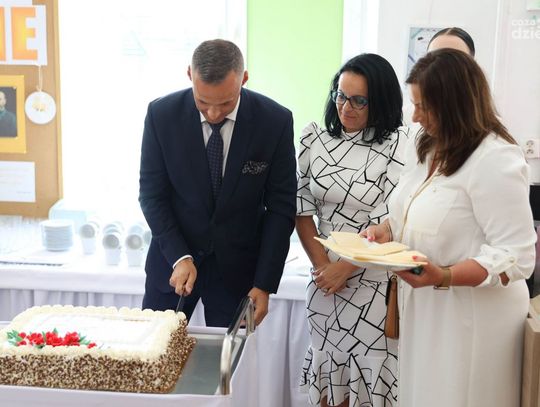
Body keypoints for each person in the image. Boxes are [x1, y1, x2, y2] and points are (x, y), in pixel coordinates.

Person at [362, 49, 536, 407]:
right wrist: (387, 230)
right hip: (427, 311)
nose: (415, 116)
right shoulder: (427, 144)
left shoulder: (495, 158)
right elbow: (415, 209)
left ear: (455, 104)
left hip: (471, 321)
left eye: (424, 106)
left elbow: (517, 257)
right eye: (414, 104)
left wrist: (443, 276)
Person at [139, 39, 296, 327]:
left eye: (225, 103)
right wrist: (179, 256)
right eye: (202, 102)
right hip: (172, 263)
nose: (213, 113)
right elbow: (152, 196)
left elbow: (281, 208)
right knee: (156, 351)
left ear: (244, 79)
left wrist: (264, 283)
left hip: (238, 274)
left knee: (226, 355)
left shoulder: (275, 121)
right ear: (190, 75)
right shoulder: (161, 115)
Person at [296, 53, 408, 407]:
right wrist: (324, 268)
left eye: (359, 100)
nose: (346, 107)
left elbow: (390, 220)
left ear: (382, 101)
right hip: (324, 280)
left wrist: (346, 267)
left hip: (372, 280)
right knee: (327, 386)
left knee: (370, 388)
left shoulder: (398, 144)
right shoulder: (314, 139)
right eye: (341, 95)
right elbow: (301, 210)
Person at [403, 26, 475, 127]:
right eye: (434, 58)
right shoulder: (406, 118)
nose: (441, 68)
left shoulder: (487, 130)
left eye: (455, 59)